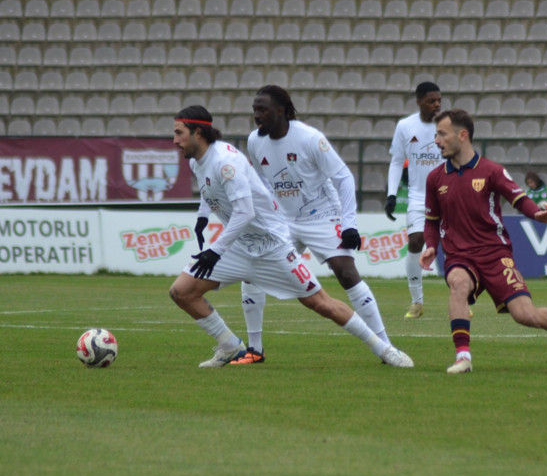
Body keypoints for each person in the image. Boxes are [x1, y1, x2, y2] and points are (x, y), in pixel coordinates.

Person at [169, 105, 413, 369]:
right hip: (239, 247)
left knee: (320, 303)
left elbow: (245, 211)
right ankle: (230, 346)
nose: (175, 140)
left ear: (198, 132)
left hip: (271, 246)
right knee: (181, 292)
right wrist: (203, 216)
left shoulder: (225, 162)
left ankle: (384, 349)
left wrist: (216, 249)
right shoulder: (197, 161)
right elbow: (209, 191)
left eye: (179, 133)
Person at [213, 85, 392, 365]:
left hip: (322, 215)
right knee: (252, 271)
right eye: (254, 110)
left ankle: (385, 345)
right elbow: (262, 186)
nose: (257, 115)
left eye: (262, 110)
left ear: (281, 110)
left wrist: (349, 223)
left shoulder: (310, 138)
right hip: (282, 220)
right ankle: (255, 349)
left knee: (346, 273)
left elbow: (343, 177)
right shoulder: (254, 141)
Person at [419, 109, 547, 374]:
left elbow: (519, 199)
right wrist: (431, 244)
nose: (437, 140)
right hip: (459, 255)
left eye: (442, 134)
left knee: (525, 315)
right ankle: (463, 356)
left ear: (462, 135)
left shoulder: (491, 171)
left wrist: (538, 213)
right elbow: (432, 220)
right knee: (458, 283)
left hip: (494, 253)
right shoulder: (435, 179)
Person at [384, 82, 444, 319]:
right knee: (416, 241)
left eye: (439, 100)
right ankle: (416, 302)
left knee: (455, 246)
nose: (437, 104)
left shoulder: (448, 125)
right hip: (419, 196)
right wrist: (391, 194)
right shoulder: (405, 126)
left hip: (448, 194)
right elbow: (397, 161)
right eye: (432, 101)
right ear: (419, 102)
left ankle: (460, 298)